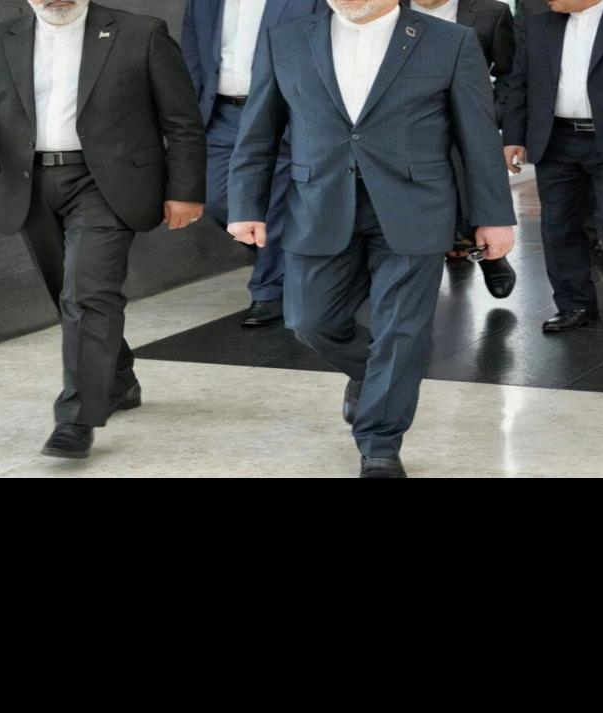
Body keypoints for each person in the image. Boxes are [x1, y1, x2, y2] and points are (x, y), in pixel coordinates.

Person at [228, 0, 517, 478]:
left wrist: (493, 216)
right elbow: (259, 130)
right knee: (309, 321)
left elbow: (478, 135)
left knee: (401, 331)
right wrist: (245, 204)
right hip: (318, 202)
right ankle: (375, 373)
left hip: (416, 204)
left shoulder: (449, 41)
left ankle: (379, 444)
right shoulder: (286, 39)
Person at [0, 0, 207, 460]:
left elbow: (182, 118)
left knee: (87, 294)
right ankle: (117, 380)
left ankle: (76, 418)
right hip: (28, 185)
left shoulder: (141, 33)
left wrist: (186, 189)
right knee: (68, 294)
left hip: (107, 183)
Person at [503, 0, 603, 333]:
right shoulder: (537, 24)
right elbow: (519, 82)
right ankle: (575, 303)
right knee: (559, 226)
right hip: (555, 139)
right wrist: (513, 136)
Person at [182, 0, 325, 328]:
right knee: (218, 200)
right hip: (221, 114)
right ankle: (290, 267)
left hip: (283, 113)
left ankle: (269, 290)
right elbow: (192, 56)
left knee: (275, 204)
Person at [411, 0, 518, 299]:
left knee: (470, 169)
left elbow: (510, 72)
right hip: (406, 120)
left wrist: (489, 112)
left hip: (466, 116)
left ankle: (488, 251)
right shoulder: (388, 8)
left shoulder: (491, 13)